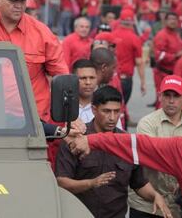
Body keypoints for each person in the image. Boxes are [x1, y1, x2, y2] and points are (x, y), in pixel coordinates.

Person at [55, 86, 172, 218]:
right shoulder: (76, 138)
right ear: (94, 110)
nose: (112, 117)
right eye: (106, 111)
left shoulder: (127, 143)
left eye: (116, 112)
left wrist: (155, 195)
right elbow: (62, 182)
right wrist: (91, 183)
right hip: (80, 214)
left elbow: (139, 184)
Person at [129, 75, 182, 218]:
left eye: (176, 96)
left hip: (179, 204)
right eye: (167, 95)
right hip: (147, 203)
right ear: (160, 97)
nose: (171, 101)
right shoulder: (146, 123)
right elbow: (154, 156)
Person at [112, 8, 146, 104]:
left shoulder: (112, 35)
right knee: (121, 106)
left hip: (112, 77)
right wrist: (143, 82)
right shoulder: (135, 38)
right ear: (132, 21)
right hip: (125, 78)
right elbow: (139, 62)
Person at [153, 12, 182, 96]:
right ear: (165, 21)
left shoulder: (177, 34)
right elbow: (158, 55)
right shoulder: (162, 35)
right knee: (162, 100)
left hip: (173, 73)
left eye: (175, 19)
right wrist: (175, 56)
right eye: (170, 19)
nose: (172, 21)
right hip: (163, 74)